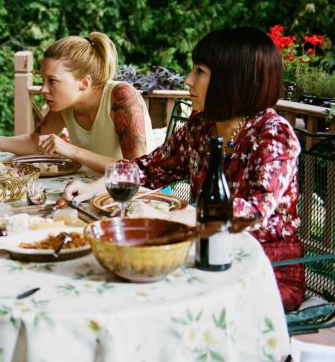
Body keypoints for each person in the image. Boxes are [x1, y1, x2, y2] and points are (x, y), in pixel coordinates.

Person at [64, 27, 304, 312]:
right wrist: (97, 186)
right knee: (122, 283)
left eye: (199, 71)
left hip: (262, 268)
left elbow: (253, 211)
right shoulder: (202, 125)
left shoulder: (273, 133)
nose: (188, 79)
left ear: (232, 79)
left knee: (152, 297)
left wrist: (171, 218)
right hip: (201, 252)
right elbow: (149, 168)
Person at [0, 32, 155, 173]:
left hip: (138, 197)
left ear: (84, 83)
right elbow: (34, 142)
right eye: (43, 80)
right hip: (90, 189)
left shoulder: (121, 96)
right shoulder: (64, 104)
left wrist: (70, 150)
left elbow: (137, 168)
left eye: (52, 81)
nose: (43, 89)